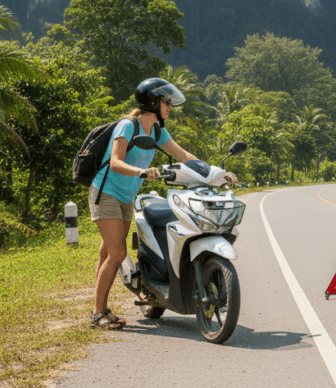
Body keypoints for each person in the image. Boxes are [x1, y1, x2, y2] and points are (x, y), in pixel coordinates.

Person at [88, 77, 238, 329]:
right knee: (117, 253)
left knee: (107, 252)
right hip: (106, 193)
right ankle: (98, 313)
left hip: (126, 196)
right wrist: (141, 171)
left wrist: (215, 174)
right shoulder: (128, 126)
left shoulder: (157, 130)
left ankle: (100, 305)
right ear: (152, 103)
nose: (170, 106)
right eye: (166, 101)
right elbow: (115, 162)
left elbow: (183, 156)